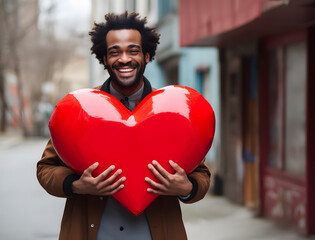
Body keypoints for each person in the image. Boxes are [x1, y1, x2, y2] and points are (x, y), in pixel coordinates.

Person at [37, 12, 211, 240]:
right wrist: (77, 185)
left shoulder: (172, 109)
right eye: (114, 52)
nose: (124, 59)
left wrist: (187, 188)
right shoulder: (79, 110)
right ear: (104, 58)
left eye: (133, 50)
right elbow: (46, 169)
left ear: (147, 55)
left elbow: (201, 174)